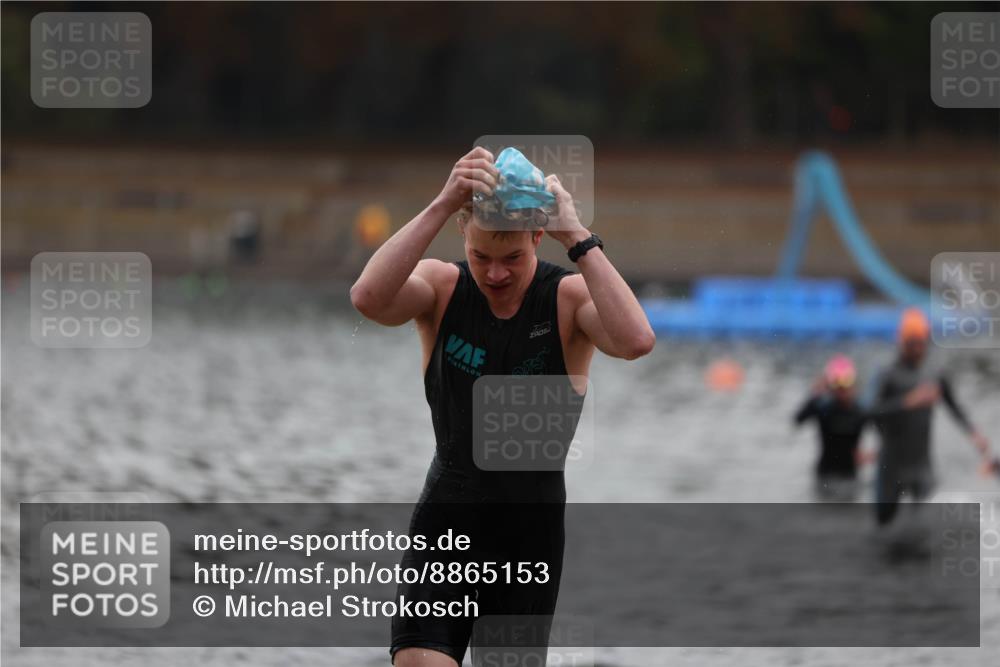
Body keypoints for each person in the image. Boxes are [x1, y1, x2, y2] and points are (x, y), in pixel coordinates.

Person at [350, 146, 655, 667]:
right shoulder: (442, 288)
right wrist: (444, 202)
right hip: (446, 522)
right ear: (463, 237)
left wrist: (578, 236)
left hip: (528, 538)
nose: (495, 274)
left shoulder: (569, 300)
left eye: (511, 258)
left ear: (538, 236)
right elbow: (369, 299)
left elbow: (635, 341)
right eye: (481, 257)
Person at [866, 308, 992, 526]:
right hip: (892, 462)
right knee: (883, 522)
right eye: (911, 343)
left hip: (921, 462)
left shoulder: (934, 374)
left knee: (924, 524)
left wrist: (975, 435)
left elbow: (954, 407)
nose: (917, 348)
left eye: (921, 342)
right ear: (902, 342)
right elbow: (871, 412)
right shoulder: (888, 375)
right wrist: (908, 402)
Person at [794, 354, 870, 500]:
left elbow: (887, 432)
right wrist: (814, 395)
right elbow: (797, 420)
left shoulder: (860, 410)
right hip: (825, 476)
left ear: (854, 385)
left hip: (851, 477)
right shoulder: (823, 409)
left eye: (846, 384)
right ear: (830, 386)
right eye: (837, 385)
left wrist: (873, 455)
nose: (842, 390)